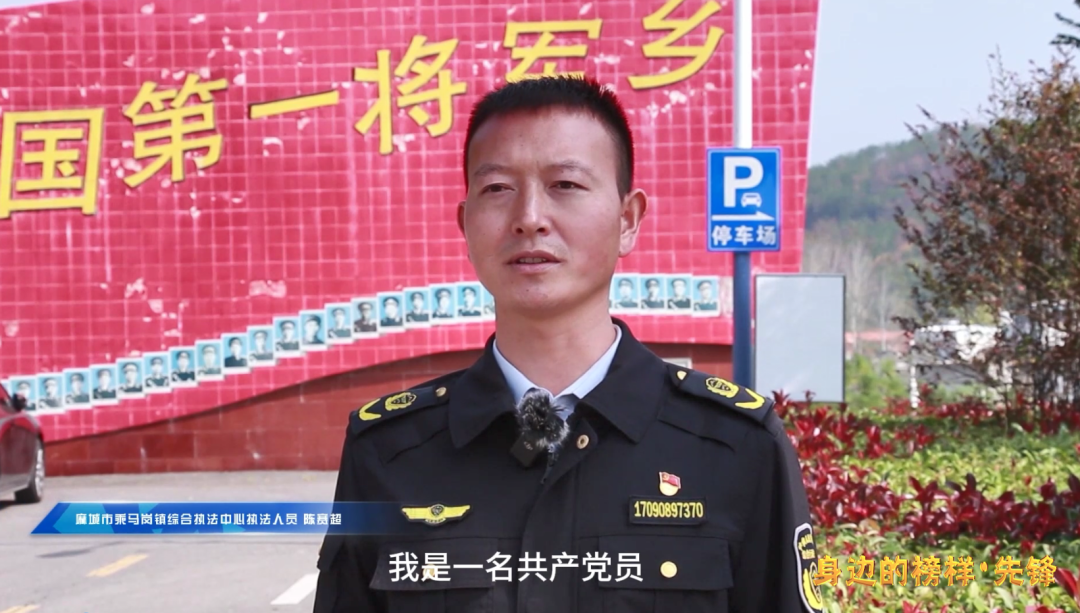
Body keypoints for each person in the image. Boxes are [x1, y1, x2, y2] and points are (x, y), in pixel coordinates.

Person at [313, 76, 819, 613]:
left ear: (628, 220)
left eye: (565, 184)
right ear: (465, 225)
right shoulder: (389, 451)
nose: (529, 218)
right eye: (498, 189)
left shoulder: (735, 446)